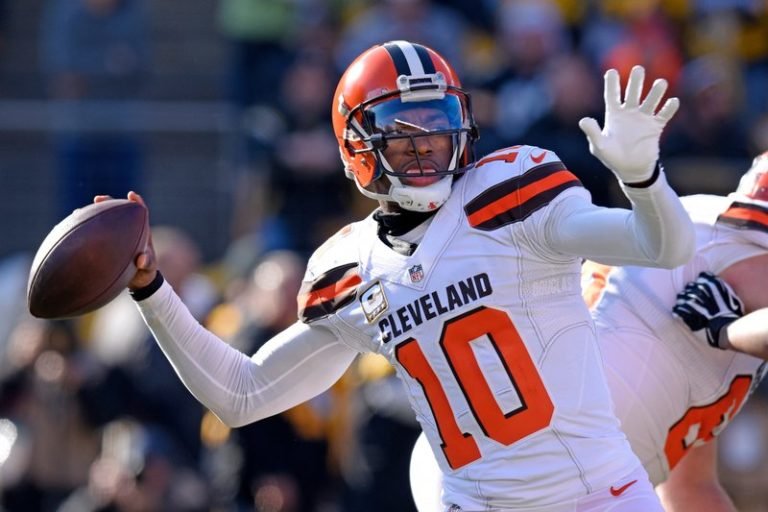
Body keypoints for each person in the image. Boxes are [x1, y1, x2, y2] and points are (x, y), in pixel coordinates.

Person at [109, 41, 694, 511]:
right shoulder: (348, 269)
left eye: (436, 124)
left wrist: (644, 179)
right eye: (403, 129)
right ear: (357, 146)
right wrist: (151, 291)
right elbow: (241, 395)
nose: (425, 145)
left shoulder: (513, 195)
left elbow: (662, 246)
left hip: (600, 495)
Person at [410, 151, 768, 511]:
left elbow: (691, 491)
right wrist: (727, 331)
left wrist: (728, 331)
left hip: (561, 477)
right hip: (513, 467)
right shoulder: (725, 242)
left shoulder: (718, 300)